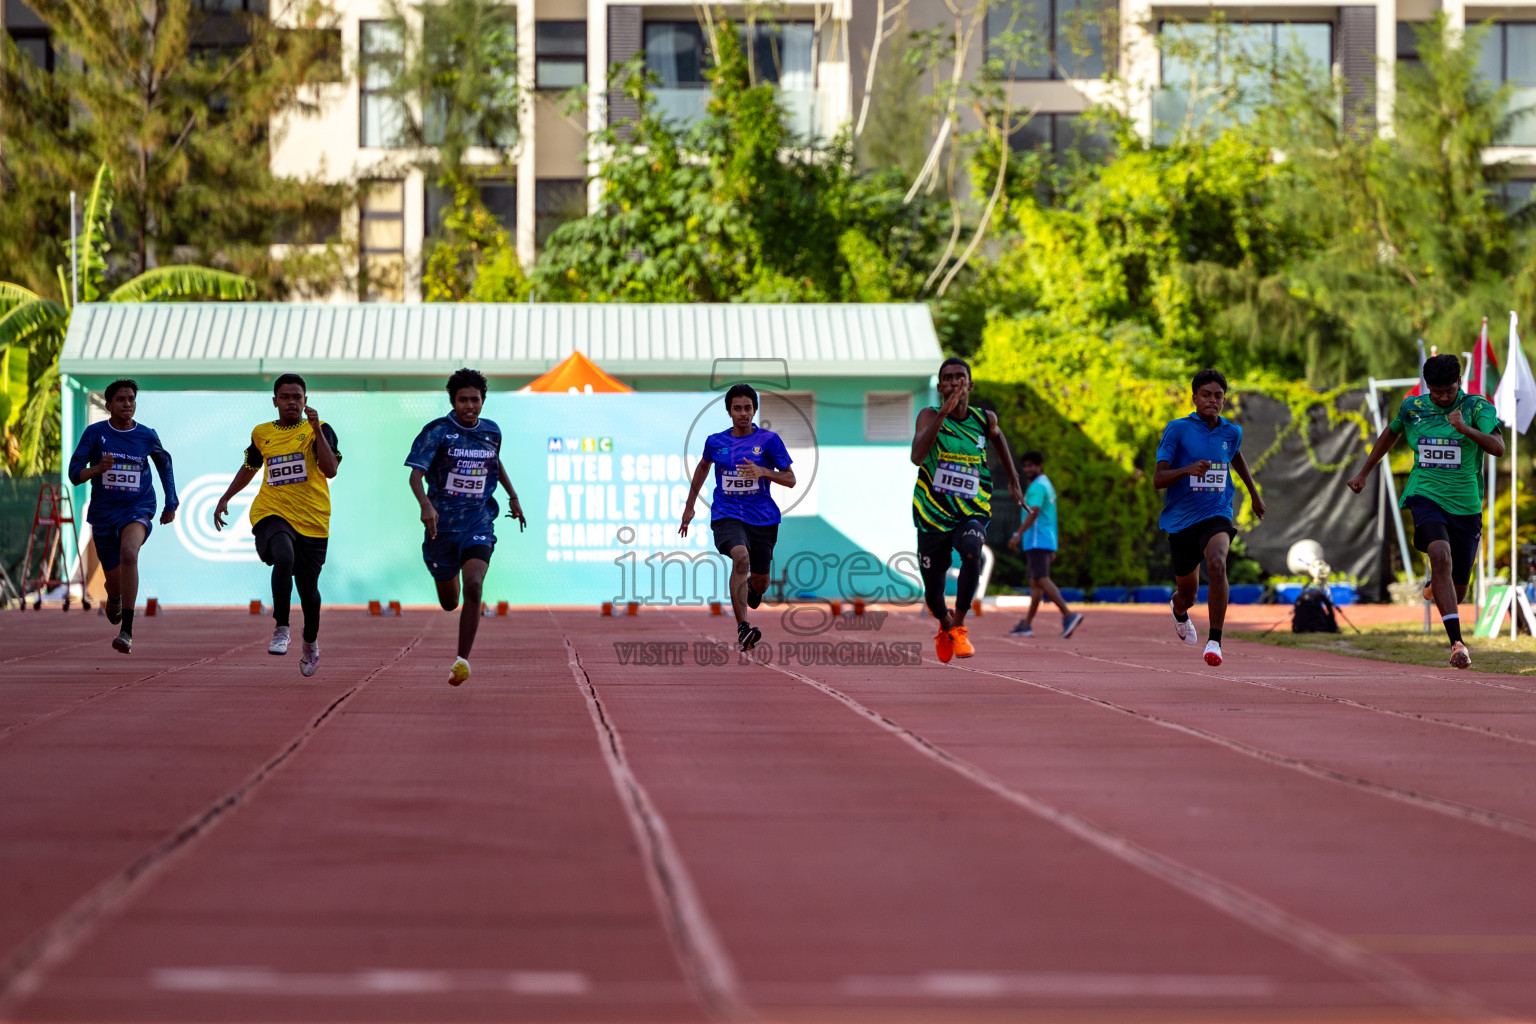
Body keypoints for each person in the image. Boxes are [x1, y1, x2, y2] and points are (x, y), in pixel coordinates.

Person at [1347, 353, 1503, 668]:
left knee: (1457, 592)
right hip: (1425, 494)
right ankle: (1457, 644)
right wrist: (1364, 472)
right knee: (1439, 554)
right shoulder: (1413, 408)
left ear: (1459, 382)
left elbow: (1498, 447)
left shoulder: (1477, 408)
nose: (1442, 397)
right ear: (1427, 386)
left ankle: (1434, 588)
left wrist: (1466, 430)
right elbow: (1390, 434)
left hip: (1466, 504)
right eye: (1436, 391)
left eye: (1448, 390)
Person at [212, 373, 341, 676]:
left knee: (309, 593)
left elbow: (330, 469)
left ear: (305, 401)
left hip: (313, 519)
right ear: (275, 401)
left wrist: (316, 432)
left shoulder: (320, 430)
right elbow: (250, 467)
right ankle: (281, 627)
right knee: (283, 556)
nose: (292, 402)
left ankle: (310, 642)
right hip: (271, 511)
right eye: (285, 397)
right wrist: (225, 497)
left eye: (297, 397)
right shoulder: (262, 433)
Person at [406, 368, 526, 686]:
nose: (469, 406)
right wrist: (426, 505)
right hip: (442, 528)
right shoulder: (437, 432)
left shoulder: (492, 432)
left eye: (475, 400)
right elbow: (415, 476)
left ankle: (462, 661)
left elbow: (494, 462)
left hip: (478, 519)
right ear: (453, 402)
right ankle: (446, 580)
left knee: (474, 584)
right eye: (463, 400)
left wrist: (513, 496)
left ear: (483, 401)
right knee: (450, 602)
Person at [911, 357, 1025, 662]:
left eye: (959, 377)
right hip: (932, 514)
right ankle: (945, 623)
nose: (953, 382)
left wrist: (1013, 479)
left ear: (970, 385)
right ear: (939, 387)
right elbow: (917, 457)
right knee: (934, 596)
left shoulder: (983, 419)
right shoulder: (928, 415)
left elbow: (998, 439)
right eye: (947, 378)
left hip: (970, 509)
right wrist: (944, 413)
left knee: (973, 550)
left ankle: (959, 627)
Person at [1154, 369, 1265, 667]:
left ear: (1224, 400)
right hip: (1180, 521)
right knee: (1187, 595)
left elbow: (1236, 455)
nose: (1212, 400)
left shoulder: (1232, 432)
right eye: (1206, 395)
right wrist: (1186, 470)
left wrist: (1254, 494)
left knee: (1217, 563)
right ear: (1194, 398)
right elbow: (1158, 479)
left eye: (1218, 396)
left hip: (1216, 513)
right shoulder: (1177, 429)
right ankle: (1179, 610)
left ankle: (1214, 640)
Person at [679, 384, 795, 651]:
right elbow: (703, 467)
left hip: (763, 518)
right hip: (727, 514)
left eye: (748, 408)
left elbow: (790, 479)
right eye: (737, 408)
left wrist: (763, 471)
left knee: (761, 582)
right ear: (729, 411)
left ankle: (753, 592)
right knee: (741, 557)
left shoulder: (769, 441)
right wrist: (689, 506)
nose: (743, 413)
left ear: (754, 410)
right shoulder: (716, 442)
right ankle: (743, 628)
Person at [67, 379, 178, 654]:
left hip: (138, 507)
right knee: (113, 580)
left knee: (130, 553)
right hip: (104, 514)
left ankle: (126, 631)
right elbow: (74, 473)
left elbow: (164, 464)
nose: (127, 404)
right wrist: (97, 469)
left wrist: (171, 502)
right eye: (121, 400)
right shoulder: (95, 434)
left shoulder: (147, 435)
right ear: (108, 405)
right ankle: (113, 595)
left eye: (131, 399)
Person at [1007, 451, 1083, 639]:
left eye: (1031, 465)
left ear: (1040, 466)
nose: (1027, 469)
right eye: (1025, 466)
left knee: (1041, 579)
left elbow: (1034, 511)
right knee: (1035, 585)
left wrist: (1018, 534)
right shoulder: (1045, 484)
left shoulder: (1038, 486)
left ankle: (1068, 614)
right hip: (1045, 539)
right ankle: (1026, 625)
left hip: (1036, 539)